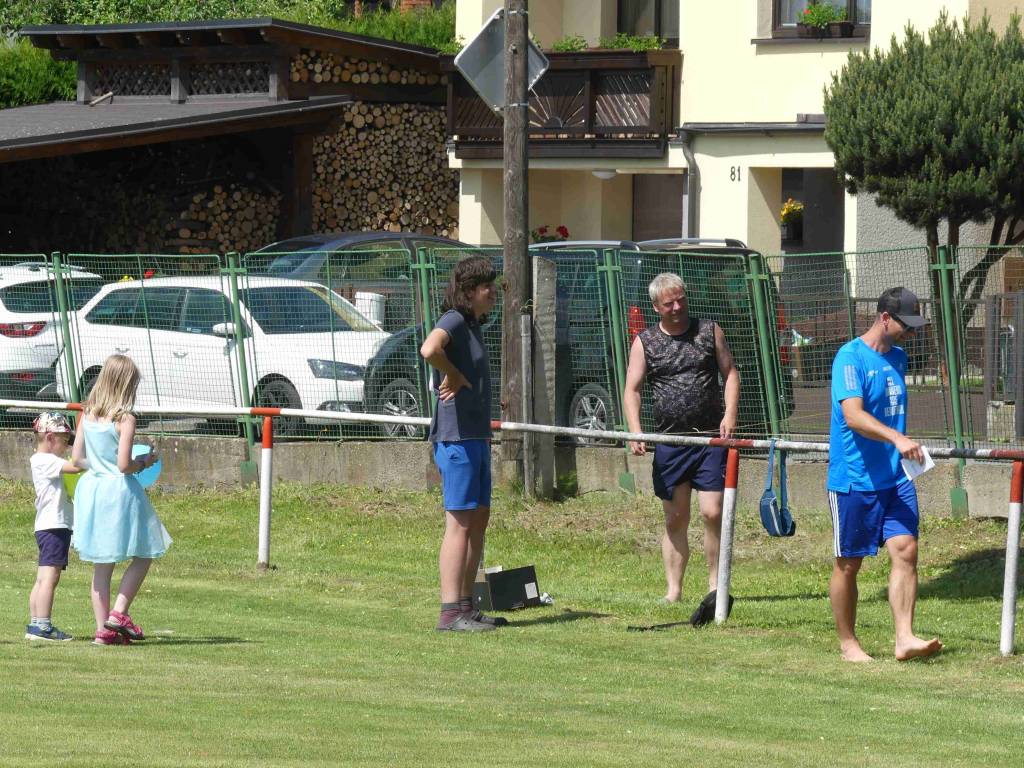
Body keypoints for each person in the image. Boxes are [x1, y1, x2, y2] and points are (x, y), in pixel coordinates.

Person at [827, 287, 943, 662]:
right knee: (849, 564)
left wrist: (898, 444)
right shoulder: (850, 358)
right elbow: (853, 416)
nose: (910, 332)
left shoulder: (899, 358)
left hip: (896, 478)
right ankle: (848, 644)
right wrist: (896, 437)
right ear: (884, 318)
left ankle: (904, 638)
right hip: (855, 479)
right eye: (905, 325)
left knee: (906, 550)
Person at [623, 272, 740, 625]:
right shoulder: (645, 342)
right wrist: (635, 431)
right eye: (669, 303)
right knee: (676, 518)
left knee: (713, 512)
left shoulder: (709, 331)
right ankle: (673, 590)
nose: (677, 307)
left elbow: (730, 373)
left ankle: (715, 586)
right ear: (656, 307)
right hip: (670, 443)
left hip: (709, 440)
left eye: (681, 299)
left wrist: (730, 414)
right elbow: (632, 389)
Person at [420, 256, 506, 632]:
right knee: (459, 524)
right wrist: (452, 374)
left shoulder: (473, 325)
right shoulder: (454, 319)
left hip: (476, 437)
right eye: (487, 287)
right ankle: (450, 612)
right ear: (469, 292)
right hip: (456, 438)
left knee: (478, 520)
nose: (493, 292)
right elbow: (429, 350)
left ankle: (468, 607)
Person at [71, 354, 172, 646]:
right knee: (145, 552)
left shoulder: (87, 413)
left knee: (102, 565)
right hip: (119, 492)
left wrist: (98, 466)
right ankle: (118, 613)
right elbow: (124, 465)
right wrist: (144, 462)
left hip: (93, 490)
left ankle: (103, 631)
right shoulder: (124, 419)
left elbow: (77, 459)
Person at [25, 412, 83, 642]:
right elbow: (76, 466)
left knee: (42, 578)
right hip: (54, 525)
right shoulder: (46, 460)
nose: (67, 446)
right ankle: (43, 626)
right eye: (65, 440)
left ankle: (35, 624)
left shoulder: (44, 460)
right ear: (50, 437)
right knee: (51, 577)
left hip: (48, 526)